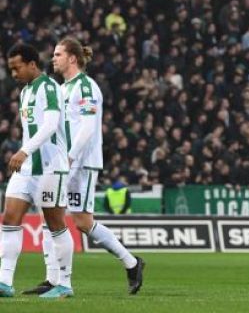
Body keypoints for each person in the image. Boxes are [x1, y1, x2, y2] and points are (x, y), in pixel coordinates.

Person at [23, 38, 144, 296]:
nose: (53, 58)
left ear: (72, 58)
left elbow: (88, 127)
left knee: (82, 221)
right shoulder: (61, 88)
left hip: (81, 162)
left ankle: (131, 262)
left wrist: (70, 156)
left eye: (58, 54)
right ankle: (52, 278)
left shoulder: (86, 87)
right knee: (49, 213)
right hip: (61, 162)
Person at [0, 43, 74, 299]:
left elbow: (51, 124)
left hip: (51, 167)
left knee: (55, 224)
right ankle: (4, 282)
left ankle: (65, 284)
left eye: (16, 68)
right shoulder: (25, 92)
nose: (13, 74)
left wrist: (24, 150)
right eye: (10, 69)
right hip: (28, 167)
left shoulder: (50, 87)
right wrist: (26, 153)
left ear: (32, 64)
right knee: (9, 218)